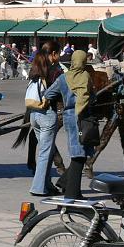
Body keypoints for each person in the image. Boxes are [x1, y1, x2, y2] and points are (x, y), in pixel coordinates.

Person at [42, 50, 94, 200]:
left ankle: (69, 186)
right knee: (80, 154)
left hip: (69, 117)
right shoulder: (86, 76)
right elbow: (93, 96)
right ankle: (72, 193)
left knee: (77, 152)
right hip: (84, 117)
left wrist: (63, 96)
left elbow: (48, 94)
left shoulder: (63, 78)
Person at [27, 52, 59, 196]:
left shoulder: (33, 76)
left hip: (34, 114)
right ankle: (38, 187)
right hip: (47, 115)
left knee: (48, 152)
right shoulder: (51, 75)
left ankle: (47, 184)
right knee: (45, 153)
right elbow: (53, 94)